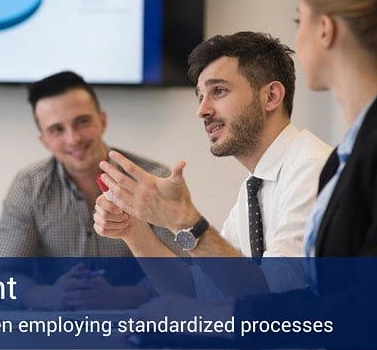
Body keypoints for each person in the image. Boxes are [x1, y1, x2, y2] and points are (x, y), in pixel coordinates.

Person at [133, 0, 377, 348]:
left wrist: (187, 226)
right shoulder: (348, 154)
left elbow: (374, 308)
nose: (202, 110)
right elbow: (213, 291)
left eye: (299, 22)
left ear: (325, 29)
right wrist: (138, 229)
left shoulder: (376, 145)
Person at [94, 32, 331, 295]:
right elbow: (196, 290)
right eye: (200, 96)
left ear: (271, 96)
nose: (202, 111)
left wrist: (184, 221)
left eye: (218, 91)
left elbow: (272, 299)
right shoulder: (255, 187)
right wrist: (133, 230)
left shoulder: (313, 170)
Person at [0, 71, 183, 309]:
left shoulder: (153, 179)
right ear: (44, 140)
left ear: (102, 121)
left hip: (141, 323)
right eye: (57, 130)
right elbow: (0, 281)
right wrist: (48, 296)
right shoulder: (28, 187)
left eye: (82, 121)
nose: (73, 139)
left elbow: (184, 276)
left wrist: (121, 297)